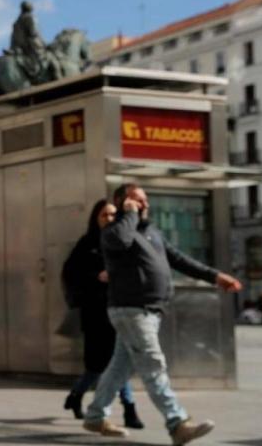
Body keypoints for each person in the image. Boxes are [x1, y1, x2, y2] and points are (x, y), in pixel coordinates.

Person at [83, 184, 242, 444]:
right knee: (153, 364)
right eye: (137, 200)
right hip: (131, 310)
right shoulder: (114, 231)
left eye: (145, 200)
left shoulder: (151, 232)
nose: (144, 204)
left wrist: (215, 276)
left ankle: (95, 415)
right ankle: (177, 422)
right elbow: (121, 240)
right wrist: (129, 214)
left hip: (148, 310)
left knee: (119, 367)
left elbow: (179, 260)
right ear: (123, 203)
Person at [61, 200, 142, 429]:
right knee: (98, 365)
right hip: (96, 312)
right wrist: (96, 276)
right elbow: (71, 273)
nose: (109, 219)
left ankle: (128, 408)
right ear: (96, 218)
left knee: (118, 360)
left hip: (121, 308)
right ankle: (79, 395)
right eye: (104, 215)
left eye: (113, 215)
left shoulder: (122, 240)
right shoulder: (87, 244)